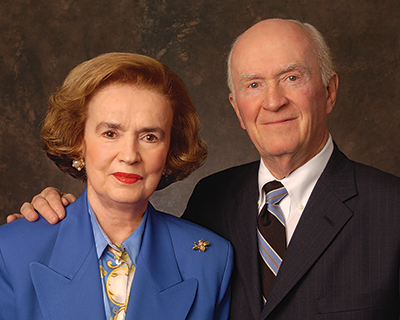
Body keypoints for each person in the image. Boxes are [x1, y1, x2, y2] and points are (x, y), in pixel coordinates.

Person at [11, 19, 400, 319]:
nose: (273, 101)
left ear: (329, 91)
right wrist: (52, 220)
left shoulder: (392, 211)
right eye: (253, 84)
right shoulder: (213, 201)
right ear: (236, 108)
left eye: (291, 78)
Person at [0, 52, 233, 320]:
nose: (130, 155)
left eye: (149, 136)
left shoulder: (211, 261)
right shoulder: (11, 250)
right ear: (79, 141)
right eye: (110, 133)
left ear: (170, 148)